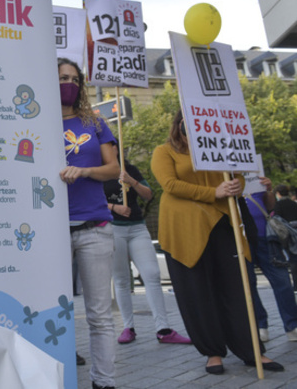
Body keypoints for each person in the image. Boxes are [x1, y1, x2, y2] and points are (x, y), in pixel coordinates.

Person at [152, 110, 282, 375]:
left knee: (237, 289)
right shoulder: (164, 151)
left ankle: (251, 349)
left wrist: (235, 185)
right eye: (186, 121)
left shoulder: (220, 149)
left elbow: (237, 177)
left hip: (223, 223)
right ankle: (213, 352)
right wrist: (213, 193)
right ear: (178, 125)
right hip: (184, 229)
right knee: (198, 293)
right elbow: (169, 184)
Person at [58, 58, 119, 389]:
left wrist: (84, 171)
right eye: (62, 77)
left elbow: (114, 169)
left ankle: (104, 382)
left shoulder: (95, 123)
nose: (69, 83)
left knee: (99, 316)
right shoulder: (35, 121)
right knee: (51, 311)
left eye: (74, 78)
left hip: (95, 228)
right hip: (52, 233)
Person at [104, 153, 190, 345]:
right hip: (113, 228)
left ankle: (163, 329)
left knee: (152, 274)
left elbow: (148, 194)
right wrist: (114, 208)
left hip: (137, 227)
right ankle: (128, 327)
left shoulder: (130, 169)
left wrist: (132, 181)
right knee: (121, 279)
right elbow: (92, 201)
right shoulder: (99, 172)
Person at [244, 177, 297, 343]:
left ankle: (292, 325)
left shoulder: (253, 174)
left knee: (282, 282)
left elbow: (270, 206)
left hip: (265, 238)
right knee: (248, 284)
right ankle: (260, 325)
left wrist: (268, 189)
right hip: (241, 240)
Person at [273, 184, 297, 291]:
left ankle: (295, 283)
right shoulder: (293, 203)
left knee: (292, 259)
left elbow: (277, 219)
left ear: (278, 193)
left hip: (287, 234)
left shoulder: (278, 204)